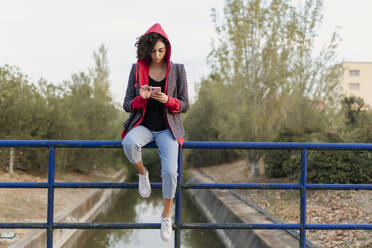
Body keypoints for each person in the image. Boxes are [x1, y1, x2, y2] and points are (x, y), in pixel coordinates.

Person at [121, 23, 189, 242]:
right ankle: (143, 173)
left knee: (170, 172)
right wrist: (142, 99)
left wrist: (169, 100)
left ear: (167, 48)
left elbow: (186, 105)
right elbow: (126, 104)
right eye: (153, 51)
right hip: (143, 126)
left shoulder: (178, 69)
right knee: (129, 143)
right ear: (146, 50)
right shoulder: (136, 69)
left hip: (168, 129)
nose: (158, 55)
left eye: (161, 50)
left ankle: (166, 216)